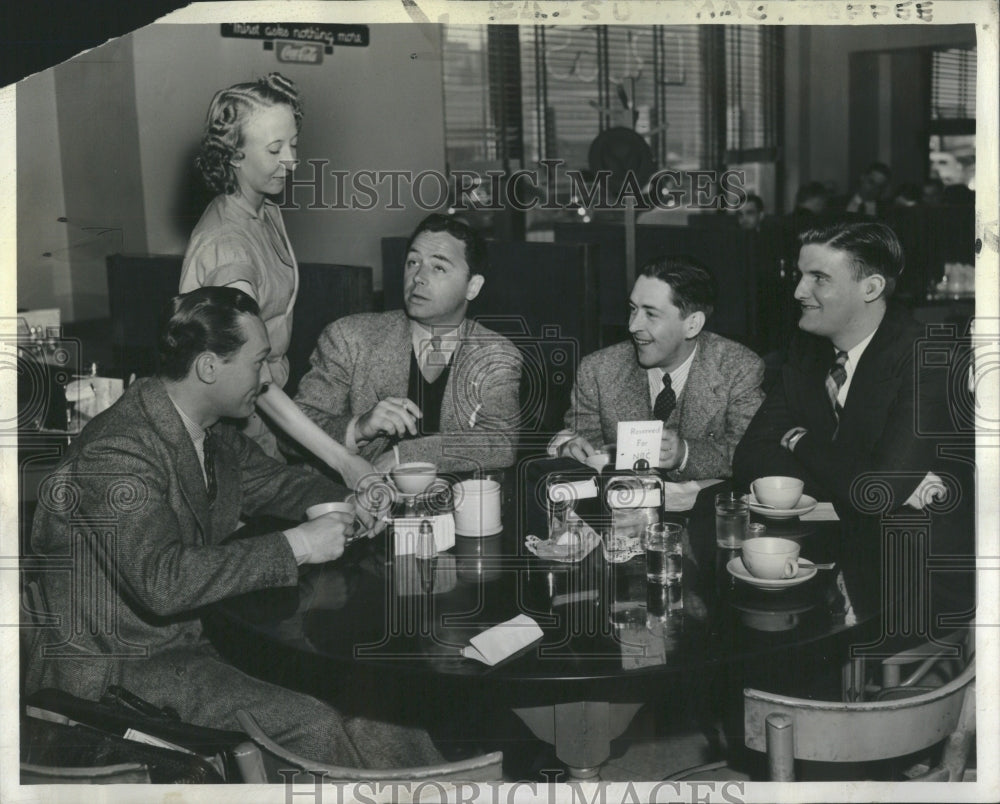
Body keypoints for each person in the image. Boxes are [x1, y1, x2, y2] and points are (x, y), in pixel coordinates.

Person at [24, 287, 442, 768]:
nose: (267, 381)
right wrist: (298, 545)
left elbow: (281, 485)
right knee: (314, 721)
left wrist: (351, 499)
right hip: (117, 668)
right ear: (208, 367)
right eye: (258, 362)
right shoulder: (118, 452)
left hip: (194, 645)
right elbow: (163, 581)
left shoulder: (211, 431)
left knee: (377, 705)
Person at [732, 221, 974, 624]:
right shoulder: (806, 348)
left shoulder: (928, 357)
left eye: (819, 278)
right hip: (839, 547)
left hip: (916, 571)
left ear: (871, 288)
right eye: (800, 275)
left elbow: (875, 493)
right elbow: (750, 460)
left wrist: (799, 442)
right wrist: (881, 479)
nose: (798, 291)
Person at [180, 73, 375, 490]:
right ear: (233, 155)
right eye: (274, 149)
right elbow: (255, 378)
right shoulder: (228, 247)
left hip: (266, 413)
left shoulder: (265, 209)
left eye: (294, 145)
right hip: (238, 425)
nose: (292, 161)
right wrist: (341, 460)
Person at [295, 213, 522, 473]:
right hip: (351, 500)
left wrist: (405, 455)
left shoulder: (496, 353)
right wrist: (358, 427)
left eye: (438, 267)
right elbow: (294, 433)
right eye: (413, 262)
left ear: (472, 286)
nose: (418, 277)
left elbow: (500, 442)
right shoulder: (349, 337)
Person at [552, 256, 765, 480]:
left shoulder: (739, 368)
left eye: (651, 314)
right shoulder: (597, 370)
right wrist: (570, 452)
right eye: (633, 309)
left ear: (692, 324)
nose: (632, 326)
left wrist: (685, 454)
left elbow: (750, 455)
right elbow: (584, 449)